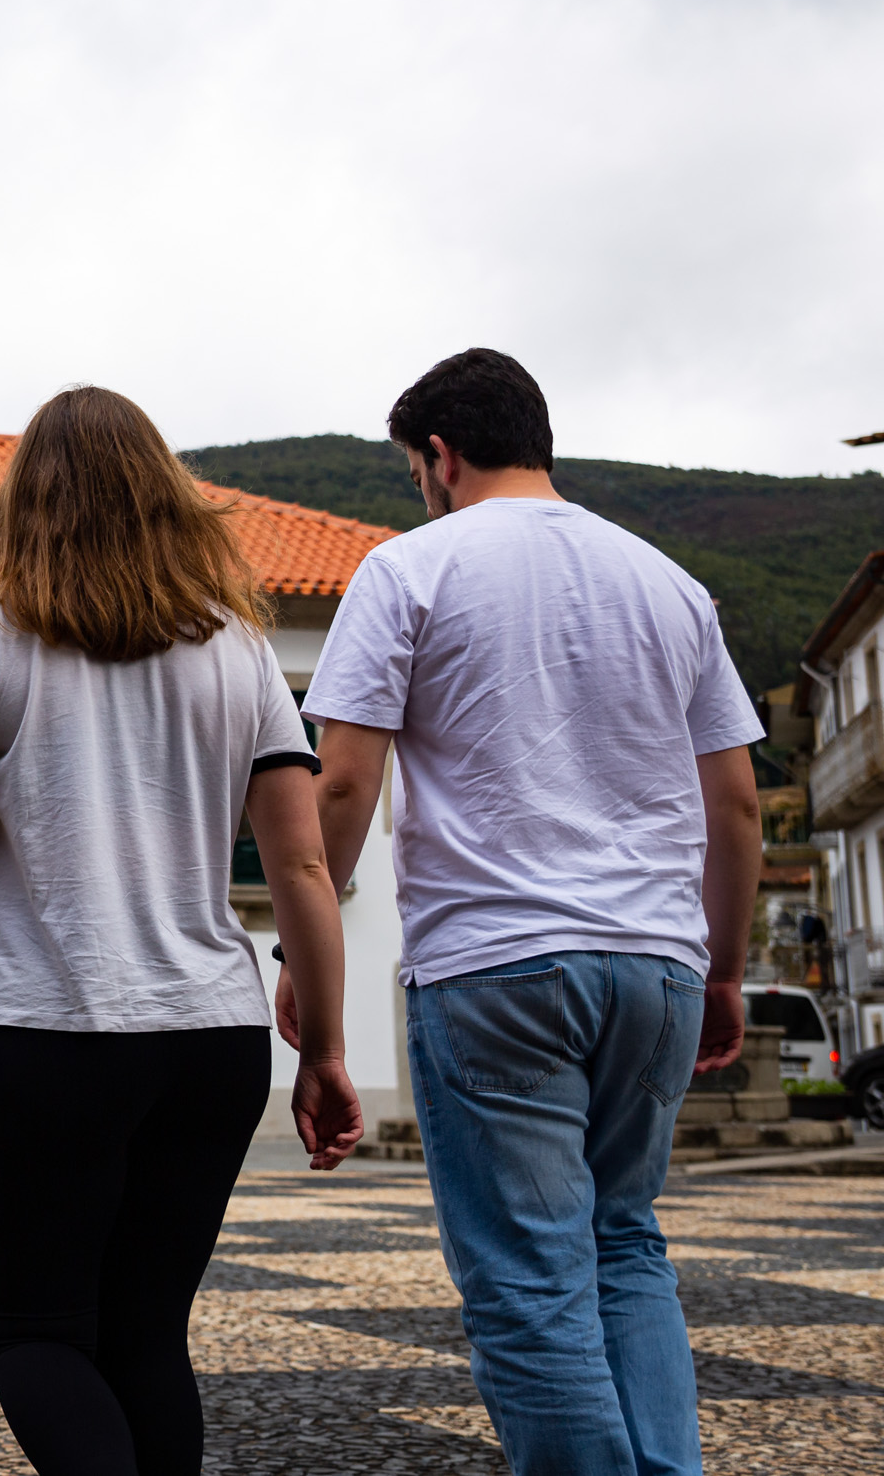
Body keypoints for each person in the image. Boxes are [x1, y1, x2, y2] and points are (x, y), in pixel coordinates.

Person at [0, 386, 364, 1476]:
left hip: (39, 1031)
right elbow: (300, 862)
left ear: (27, 498)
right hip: (209, 1037)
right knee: (144, 1334)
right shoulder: (239, 648)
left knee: (36, 1334)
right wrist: (329, 1048)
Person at [284, 349, 760, 1476]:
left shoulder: (403, 572)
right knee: (624, 1243)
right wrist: (724, 970)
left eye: (417, 468)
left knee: (528, 1279)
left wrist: (304, 962)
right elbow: (733, 799)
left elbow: (343, 784)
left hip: (495, 965)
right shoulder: (667, 582)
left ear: (438, 455)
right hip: (656, 968)